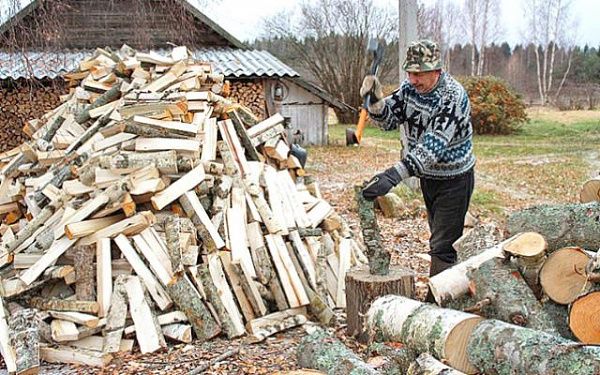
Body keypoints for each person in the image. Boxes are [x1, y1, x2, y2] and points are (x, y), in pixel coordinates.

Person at [360, 39, 475, 280]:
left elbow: (431, 148)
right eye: (410, 73)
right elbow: (388, 121)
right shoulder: (410, 89)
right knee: (438, 237)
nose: (413, 79)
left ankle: (439, 304)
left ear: (437, 70)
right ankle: (450, 288)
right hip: (429, 179)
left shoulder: (452, 97)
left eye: (419, 74)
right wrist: (376, 102)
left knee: (444, 246)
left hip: (455, 179)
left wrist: (393, 176)